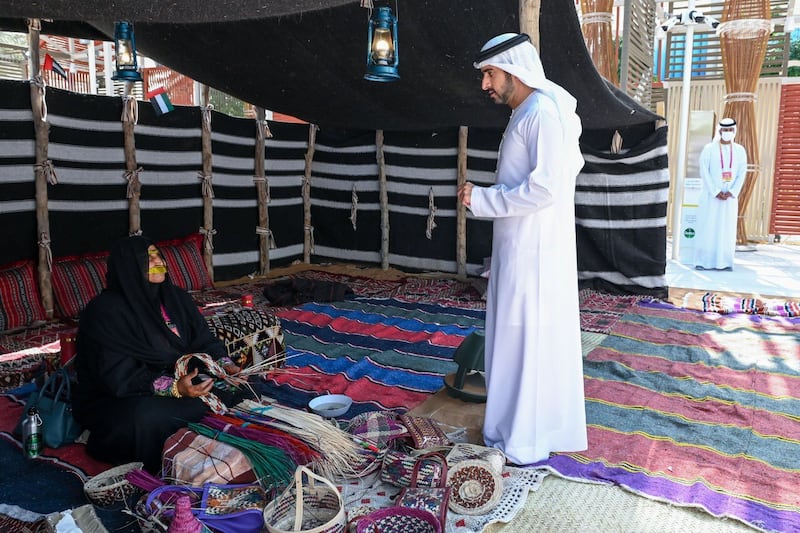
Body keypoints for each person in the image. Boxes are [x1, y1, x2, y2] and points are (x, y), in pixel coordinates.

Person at [456, 33, 587, 465]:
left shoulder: (543, 114)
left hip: (534, 250)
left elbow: (544, 189)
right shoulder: (527, 112)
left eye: (489, 74)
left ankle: (525, 441)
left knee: (526, 340)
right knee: (514, 339)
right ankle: (511, 428)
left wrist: (483, 198)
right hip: (521, 246)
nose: (485, 85)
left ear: (513, 69)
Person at [74, 235, 241, 472]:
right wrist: (175, 389)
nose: (157, 261)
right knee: (147, 417)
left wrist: (225, 365)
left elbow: (204, 339)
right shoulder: (105, 312)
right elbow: (116, 376)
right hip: (126, 396)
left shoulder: (175, 298)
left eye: (157, 255)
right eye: (147, 258)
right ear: (128, 268)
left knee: (242, 387)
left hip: (183, 381)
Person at [693, 118, 748, 271]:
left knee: (726, 229)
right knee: (708, 227)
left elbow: (742, 173)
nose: (728, 133)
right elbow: (704, 172)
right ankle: (704, 261)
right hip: (711, 197)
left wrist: (732, 191)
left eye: (730, 130)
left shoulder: (740, 150)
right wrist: (716, 191)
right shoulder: (709, 149)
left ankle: (724, 262)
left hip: (730, 198)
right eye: (725, 130)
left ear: (734, 131)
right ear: (720, 131)